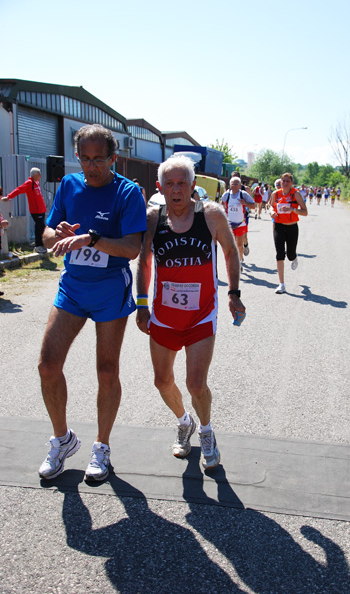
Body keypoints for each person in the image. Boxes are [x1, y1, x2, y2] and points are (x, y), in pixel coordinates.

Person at [37, 124, 147, 482]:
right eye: (84, 158)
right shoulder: (69, 185)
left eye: (99, 159)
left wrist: (93, 239)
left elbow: (132, 247)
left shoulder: (128, 193)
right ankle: (62, 439)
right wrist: (61, 235)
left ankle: (102, 446)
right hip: (72, 287)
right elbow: (48, 233)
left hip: (110, 290)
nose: (91, 166)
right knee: (47, 365)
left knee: (106, 370)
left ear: (113, 158)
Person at [136, 155, 245, 470]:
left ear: (193, 185)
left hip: (201, 315)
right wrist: (142, 304)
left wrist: (234, 293)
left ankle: (207, 431)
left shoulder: (210, 215)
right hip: (163, 317)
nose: (176, 189)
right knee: (161, 381)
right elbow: (143, 261)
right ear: (160, 187)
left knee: (196, 384)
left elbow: (230, 251)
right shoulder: (153, 219)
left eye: (182, 182)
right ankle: (184, 423)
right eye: (169, 183)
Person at [269, 172, 308, 294]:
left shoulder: (296, 194)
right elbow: (270, 206)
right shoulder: (276, 194)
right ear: (280, 182)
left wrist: (293, 210)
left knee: (290, 255)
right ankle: (281, 284)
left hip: (292, 227)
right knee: (279, 254)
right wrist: (271, 212)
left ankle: (294, 257)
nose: (285, 183)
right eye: (283, 181)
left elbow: (305, 212)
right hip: (279, 227)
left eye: (287, 181)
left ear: (291, 182)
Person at [1, 167, 47, 253]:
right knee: (41, 228)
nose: (40, 176)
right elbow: (19, 190)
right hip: (36, 211)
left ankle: (39, 245)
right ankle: (39, 245)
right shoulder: (29, 183)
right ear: (34, 175)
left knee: (38, 227)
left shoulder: (36, 183)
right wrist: (9, 196)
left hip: (41, 210)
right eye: (39, 174)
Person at [221, 176, 255, 271]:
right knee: (230, 245)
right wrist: (223, 208)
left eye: (236, 184)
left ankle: (239, 262)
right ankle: (232, 262)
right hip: (229, 225)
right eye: (233, 184)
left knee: (239, 245)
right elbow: (222, 202)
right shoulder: (226, 194)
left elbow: (254, 206)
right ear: (230, 185)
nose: (234, 186)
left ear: (240, 185)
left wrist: (245, 203)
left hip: (240, 224)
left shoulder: (243, 194)